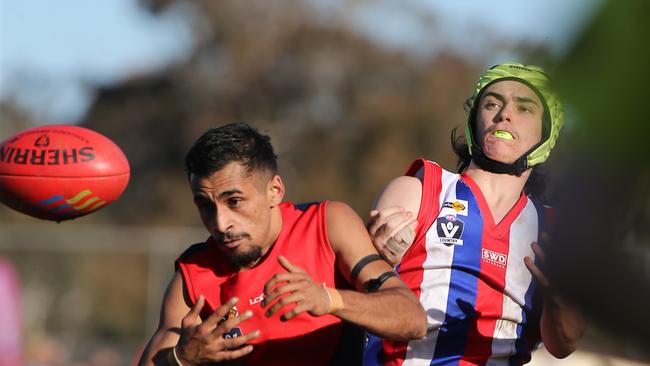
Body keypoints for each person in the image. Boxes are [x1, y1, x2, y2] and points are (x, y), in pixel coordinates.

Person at [138, 122, 427, 366]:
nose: (220, 223)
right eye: (204, 205)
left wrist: (329, 299)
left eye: (234, 201)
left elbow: (412, 318)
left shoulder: (327, 225)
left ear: (275, 190)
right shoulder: (194, 276)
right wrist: (183, 358)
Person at [364, 64, 585, 365]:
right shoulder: (421, 189)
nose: (504, 114)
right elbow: (363, 291)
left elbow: (563, 346)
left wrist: (560, 299)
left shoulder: (555, 230)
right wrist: (375, 263)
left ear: (546, 134)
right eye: (492, 103)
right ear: (473, 121)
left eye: (524, 108)